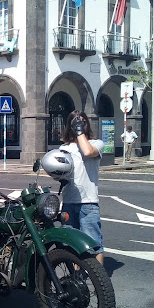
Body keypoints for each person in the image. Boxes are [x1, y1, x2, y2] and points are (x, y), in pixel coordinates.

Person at [60, 110, 104, 265]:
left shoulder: (97, 143)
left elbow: (87, 151)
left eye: (82, 121)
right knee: (72, 246)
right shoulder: (64, 148)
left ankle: (100, 281)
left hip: (88, 202)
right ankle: (76, 278)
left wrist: (79, 131)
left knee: (93, 245)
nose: (79, 124)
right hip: (68, 201)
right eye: (75, 122)